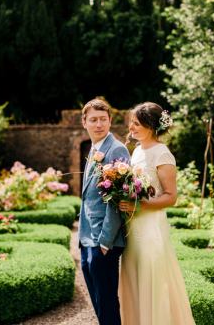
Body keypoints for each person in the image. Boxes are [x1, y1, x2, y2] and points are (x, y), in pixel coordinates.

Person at [118, 102, 195, 325]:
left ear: (151, 126)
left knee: (153, 281)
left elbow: (171, 196)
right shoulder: (138, 151)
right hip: (133, 229)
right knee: (134, 279)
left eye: (136, 123)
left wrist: (139, 206)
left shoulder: (162, 154)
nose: (131, 127)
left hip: (151, 230)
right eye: (131, 122)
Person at [79, 98, 130, 325]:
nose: (98, 124)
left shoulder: (117, 149)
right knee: (98, 300)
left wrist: (106, 241)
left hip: (103, 239)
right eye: (93, 120)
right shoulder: (95, 148)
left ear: (110, 121)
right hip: (87, 237)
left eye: (103, 119)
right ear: (84, 123)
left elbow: (118, 199)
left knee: (107, 301)